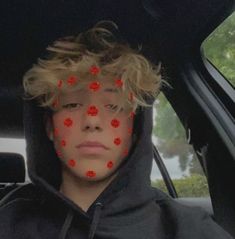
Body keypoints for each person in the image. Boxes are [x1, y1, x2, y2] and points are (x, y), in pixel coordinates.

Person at [0, 20, 233, 239]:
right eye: (72, 104)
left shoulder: (188, 231)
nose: (93, 120)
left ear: (134, 130)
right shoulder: (7, 222)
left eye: (113, 106)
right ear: (50, 127)